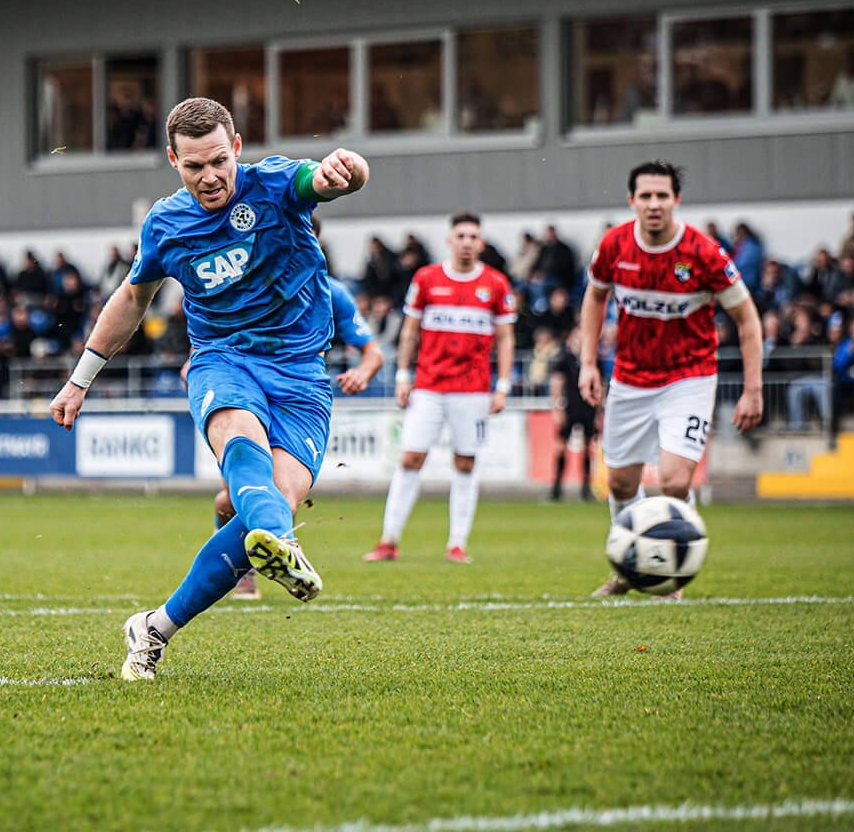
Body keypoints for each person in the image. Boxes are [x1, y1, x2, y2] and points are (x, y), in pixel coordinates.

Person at [47, 96, 368, 682]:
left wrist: (348, 169)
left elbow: (325, 181)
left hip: (302, 377)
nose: (210, 176)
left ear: (237, 147)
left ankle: (154, 628)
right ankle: (278, 533)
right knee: (244, 454)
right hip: (222, 361)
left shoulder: (273, 184)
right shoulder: (165, 224)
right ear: (174, 160)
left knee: (263, 513)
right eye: (194, 166)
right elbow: (130, 301)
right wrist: (79, 380)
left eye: (219, 160)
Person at [578, 161, 764, 599]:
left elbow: (747, 318)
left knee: (675, 480)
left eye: (662, 196)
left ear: (676, 200)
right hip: (630, 379)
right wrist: (588, 362)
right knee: (621, 483)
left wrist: (753, 389)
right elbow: (594, 298)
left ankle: (672, 574)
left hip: (689, 377)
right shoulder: (613, 245)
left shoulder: (703, 253)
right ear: (632, 201)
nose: (654, 204)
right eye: (645, 196)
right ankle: (633, 565)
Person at [199, 274, 385, 599]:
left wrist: (361, 372)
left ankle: (253, 564)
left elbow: (373, 352)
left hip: (294, 400)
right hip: (245, 392)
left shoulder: (330, 291)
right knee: (233, 499)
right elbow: (210, 332)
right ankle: (240, 562)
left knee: (280, 497)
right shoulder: (246, 278)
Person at [363, 212, 517, 564]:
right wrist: (403, 375)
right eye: (460, 235)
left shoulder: (495, 284)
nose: (466, 242)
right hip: (429, 386)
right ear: (450, 240)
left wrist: (503, 385)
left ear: (480, 243)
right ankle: (388, 541)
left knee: (465, 462)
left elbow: (506, 338)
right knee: (411, 457)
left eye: (472, 236)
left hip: (473, 389)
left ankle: (457, 544)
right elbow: (409, 331)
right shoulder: (427, 278)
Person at [549, 326, 598, 501]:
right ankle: (556, 489)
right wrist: (557, 407)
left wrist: (599, 412)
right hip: (569, 408)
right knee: (561, 447)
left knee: (587, 448)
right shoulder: (564, 359)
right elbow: (557, 383)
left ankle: (586, 488)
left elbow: (600, 386)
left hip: (587, 408)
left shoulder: (592, 360)